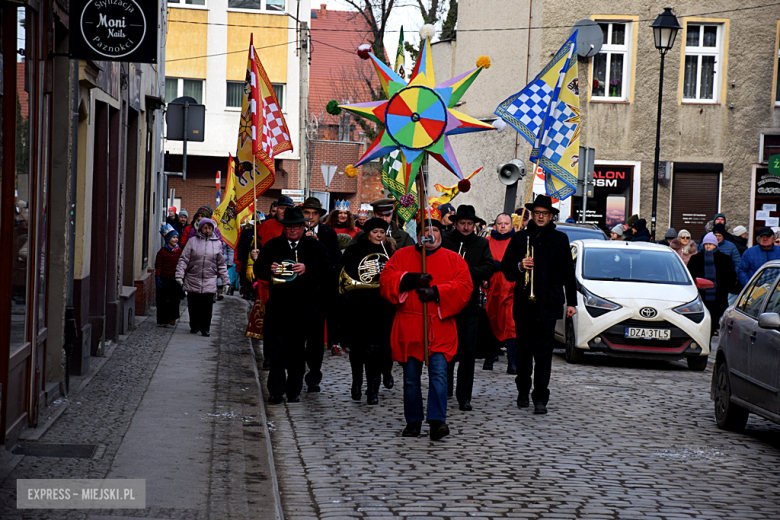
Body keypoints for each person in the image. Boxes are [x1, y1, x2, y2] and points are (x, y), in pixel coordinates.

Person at [380, 213, 472, 440]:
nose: (430, 234)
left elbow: (464, 286)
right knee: (411, 377)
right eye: (425, 231)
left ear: (441, 234)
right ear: (418, 235)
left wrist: (437, 292)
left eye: (436, 231)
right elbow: (386, 280)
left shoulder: (454, 259)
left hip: (440, 325)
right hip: (410, 325)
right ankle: (413, 422)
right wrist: (410, 279)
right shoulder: (401, 256)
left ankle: (437, 421)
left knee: (439, 375)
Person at [500, 195, 577, 415]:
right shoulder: (519, 238)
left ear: (551, 216)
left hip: (549, 304)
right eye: (537, 213)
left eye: (544, 214)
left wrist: (572, 302)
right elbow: (506, 269)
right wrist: (519, 265)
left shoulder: (561, 239)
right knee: (524, 352)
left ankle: (540, 397)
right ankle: (523, 389)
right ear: (532, 215)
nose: (541, 217)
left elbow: (568, 273)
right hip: (525, 303)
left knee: (544, 354)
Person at [252, 207, 331, 404]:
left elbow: (327, 269)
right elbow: (259, 271)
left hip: (303, 308)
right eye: (289, 227)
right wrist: (267, 268)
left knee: (297, 352)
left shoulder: (315, 247)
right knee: (277, 350)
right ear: (284, 228)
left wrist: (308, 267)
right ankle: (276, 391)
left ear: (304, 227)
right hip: (278, 308)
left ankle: (294, 390)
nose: (293, 230)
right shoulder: (272, 246)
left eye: (297, 227)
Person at [441, 205, 495, 411]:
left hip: (470, 303)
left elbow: (489, 267)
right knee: (445, 350)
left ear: (475, 225)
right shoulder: (445, 240)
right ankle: (444, 388)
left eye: (469, 224)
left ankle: (464, 396)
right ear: (455, 223)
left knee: (467, 352)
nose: (465, 227)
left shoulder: (481, 243)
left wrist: (464, 272)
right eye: (462, 223)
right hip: (446, 302)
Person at [337, 217, 396, 404]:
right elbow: (340, 270)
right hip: (358, 304)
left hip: (381, 306)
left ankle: (373, 389)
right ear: (367, 233)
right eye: (375, 232)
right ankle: (356, 382)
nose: (379, 236)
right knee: (357, 348)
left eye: (382, 232)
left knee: (376, 348)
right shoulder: (354, 250)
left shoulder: (390, 252)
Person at [300, 197, 343, 377]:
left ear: (319, 216)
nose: (310, 217)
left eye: (314, 214)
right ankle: (297, 372)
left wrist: (319, 244)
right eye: (307, 213)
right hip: (300, 293)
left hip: (320, 294)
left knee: (316, 338)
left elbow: (335, 258)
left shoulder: (328, 233)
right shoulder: (296, 231)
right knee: (298, 336)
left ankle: (314, 374)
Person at [175, 218, 229, 337]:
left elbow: (221, 264)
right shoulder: (192, 241)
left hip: (209, 278)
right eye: (205, 227)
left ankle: (205, 328)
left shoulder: (217, 243)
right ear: (200, 228)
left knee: (207, 306)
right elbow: (184, 259)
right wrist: (179, 275)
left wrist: (225, 282)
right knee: (193, 305)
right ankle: (194, 325)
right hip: (193, 276)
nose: (207, 230)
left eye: (209, 228)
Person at [485, 213, 517, 374]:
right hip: (492, 289)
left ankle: (512, 361)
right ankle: (489, 357)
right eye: (500, 223)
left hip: (511, 288)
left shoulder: (517, 241)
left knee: (511, 325)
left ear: (512, 226)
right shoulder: (487, 242)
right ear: (495, 225)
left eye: (506, 223)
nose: (503, 226)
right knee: (492, 322)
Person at [687, 233, 736, 336]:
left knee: (715, 320)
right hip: (701, 296)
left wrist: (723, 289)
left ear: (715, 245)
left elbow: (731, 276)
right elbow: (690, 276)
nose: (708, 246)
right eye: (706, 244)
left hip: (718, 296)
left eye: (710, 244)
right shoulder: (695, 259)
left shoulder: (724, 259)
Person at [155, 224, 183, 327]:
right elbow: (158, 265)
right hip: (164, 279)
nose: (176, 239)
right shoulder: (162, 252)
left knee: (174, 300)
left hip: (175, 280)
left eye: (176, 237)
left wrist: (181, 276)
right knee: (162, 301)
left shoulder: (179, 251)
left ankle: (172, 317)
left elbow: (182, 264)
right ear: (168, 239)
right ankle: (163, 320)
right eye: (173, 237)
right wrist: (158, 277)